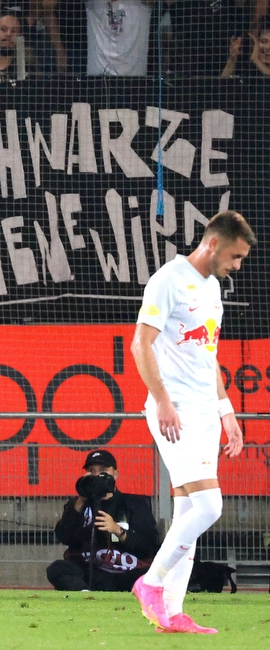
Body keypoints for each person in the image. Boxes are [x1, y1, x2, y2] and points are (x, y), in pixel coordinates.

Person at [130, 210, 255, 633]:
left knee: (188, 510)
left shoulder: (213, 287)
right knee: (208, 506)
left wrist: (227, 412)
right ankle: (149, 583)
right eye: (236, 256)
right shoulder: (168, 279)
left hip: (204, 411)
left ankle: (171, 611)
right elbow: (140, 344)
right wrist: (162, 401)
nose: (237, 266)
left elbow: (208, 356)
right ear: (215, 243)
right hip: (176, 412)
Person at [47, 449, 159, 592]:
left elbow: (149, 544)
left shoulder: (135, 503)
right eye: (91, 470)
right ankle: (83, 594)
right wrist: (80, 502)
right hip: (88, 570)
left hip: (124, 572)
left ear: (115, 474)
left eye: (103, 470)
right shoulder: (78, 504)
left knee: (152, 574)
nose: (97, 475)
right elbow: (64, 537)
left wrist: (118, 530)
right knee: (57, 568)